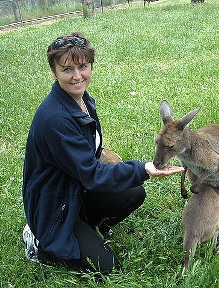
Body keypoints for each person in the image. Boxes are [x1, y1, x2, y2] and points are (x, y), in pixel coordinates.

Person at [22, 32, 184, 276]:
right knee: (108, 269)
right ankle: (40, 244)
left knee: (133, 193)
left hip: (76, 191)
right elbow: (92, 173)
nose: (77, 76)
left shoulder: (82, 100)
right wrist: (143, 168)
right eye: (67, 69)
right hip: (55, 207)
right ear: (54, 72)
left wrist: (136, 172)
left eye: (83, 66)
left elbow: (91, 158)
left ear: (90, 66)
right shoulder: (54, 119)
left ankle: (85, 227)